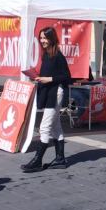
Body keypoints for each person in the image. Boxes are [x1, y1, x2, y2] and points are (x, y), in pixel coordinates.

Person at [22, 27, 72, 172]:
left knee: (44, 127)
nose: (42, 41)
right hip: (49, 91)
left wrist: (48, 79)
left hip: (55, 93)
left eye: (45, 38)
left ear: (52, 38)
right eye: (41, 38)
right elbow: (46, 73)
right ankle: (60, 159)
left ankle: (38, 160)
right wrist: (36, 76)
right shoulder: (46, 55)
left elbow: (67, 77)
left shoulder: (58, 56)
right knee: (56, 126)